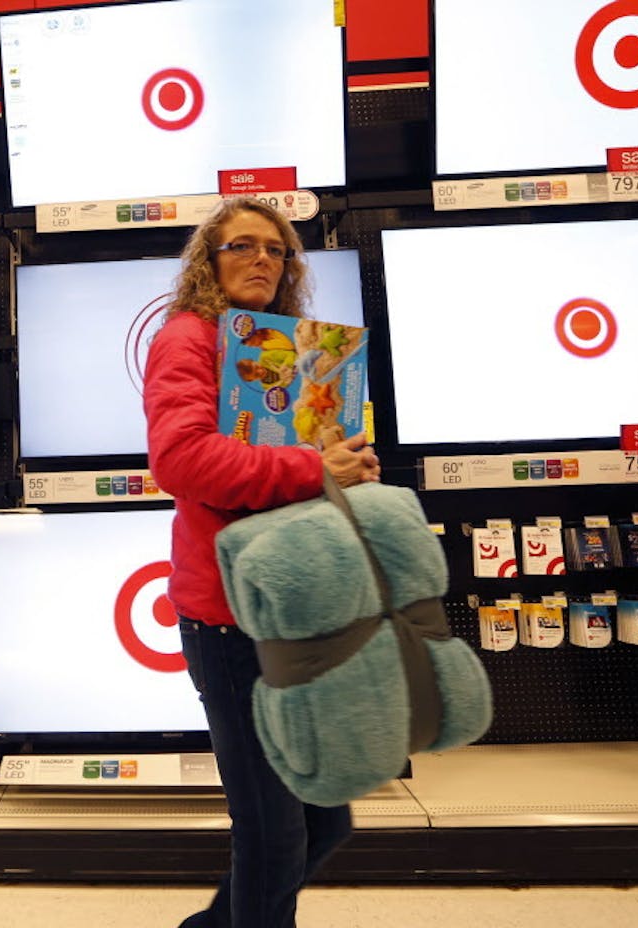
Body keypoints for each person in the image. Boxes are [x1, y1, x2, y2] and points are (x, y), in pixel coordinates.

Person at [143, 196, 381, 928]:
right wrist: (315, 469)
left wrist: (352, 467)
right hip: (230, 619)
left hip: (297, 608)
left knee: (326, 823)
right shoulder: (187, 337)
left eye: (277, 250)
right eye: (242, 246)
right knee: (274, 840)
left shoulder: (295, 345)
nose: (263, 261)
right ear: (208, 263)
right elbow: (183, 460)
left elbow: (307, 456)